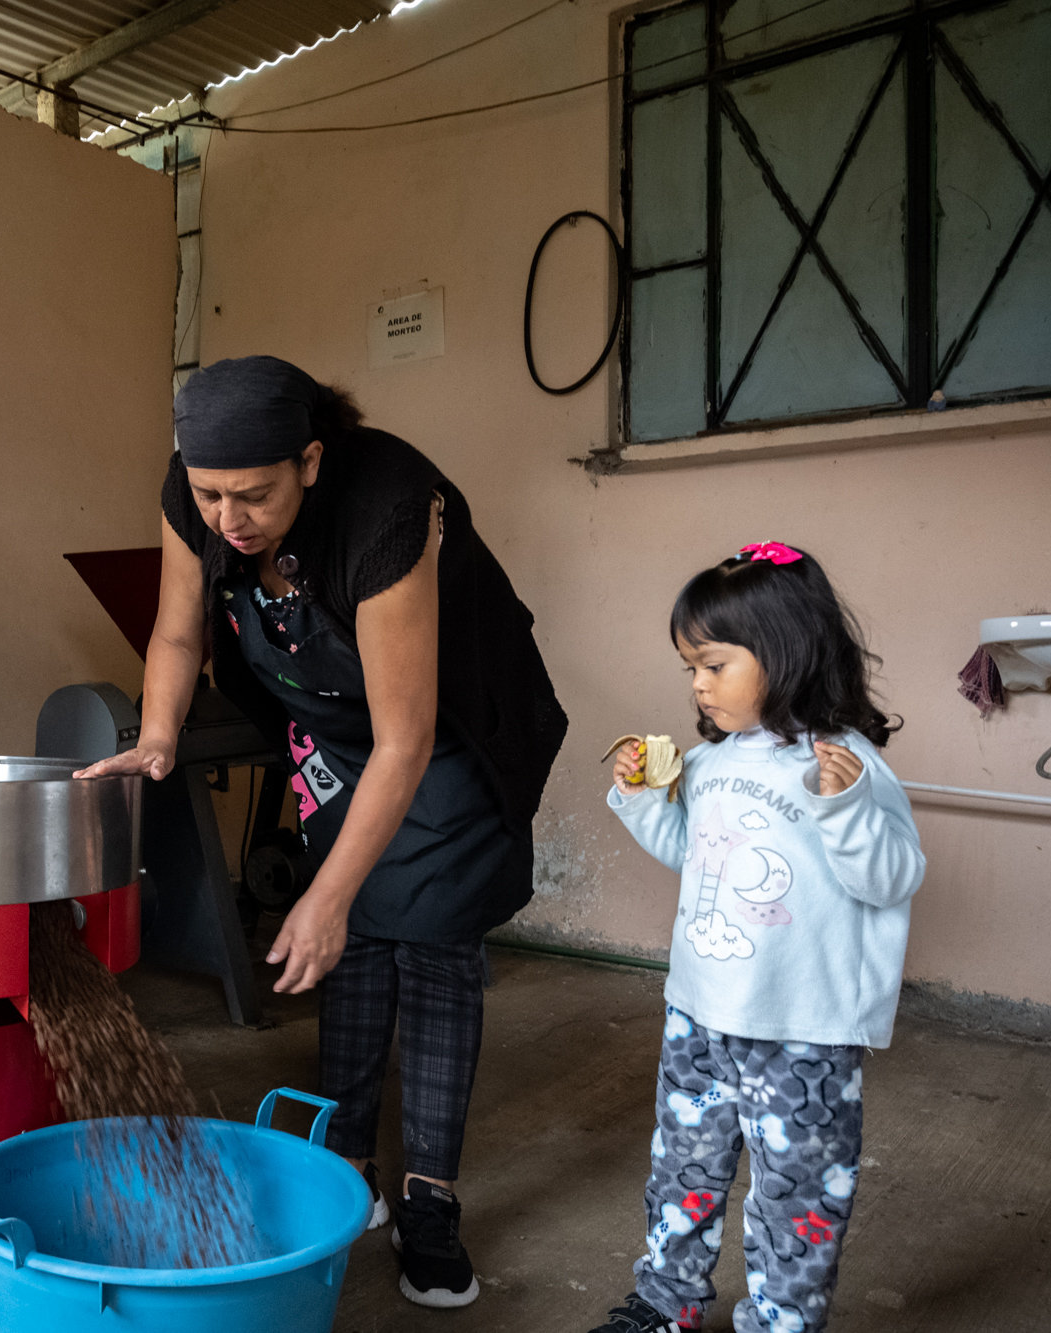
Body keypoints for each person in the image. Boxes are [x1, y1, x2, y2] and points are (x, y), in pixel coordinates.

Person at [79, 355, 566, 1308]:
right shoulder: (197, 494)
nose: (230, 519)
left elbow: (408, 736)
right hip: (340, 732)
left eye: (253, 495)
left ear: (310, 460)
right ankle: (346, 1161)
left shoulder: (389, 505)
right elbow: (178, 633)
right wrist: (161, 736)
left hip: (449, 732)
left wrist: (326, 895)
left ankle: (431, 1200)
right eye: (211, 494)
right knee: (342, 950)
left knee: (428, 945)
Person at [588, 542, 925, 1333]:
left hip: (799, 1031)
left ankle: (780, 1319)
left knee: (797, 1190)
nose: (698, 684)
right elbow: (694, 858)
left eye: (713, 664)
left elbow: (892, 877)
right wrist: (641, 800)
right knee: (683, 1169)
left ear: (785, 653)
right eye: (690, 669)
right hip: (699, 1013)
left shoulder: (848, 764)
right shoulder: (709, 762)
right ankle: (666, 1301)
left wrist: (843, 810)